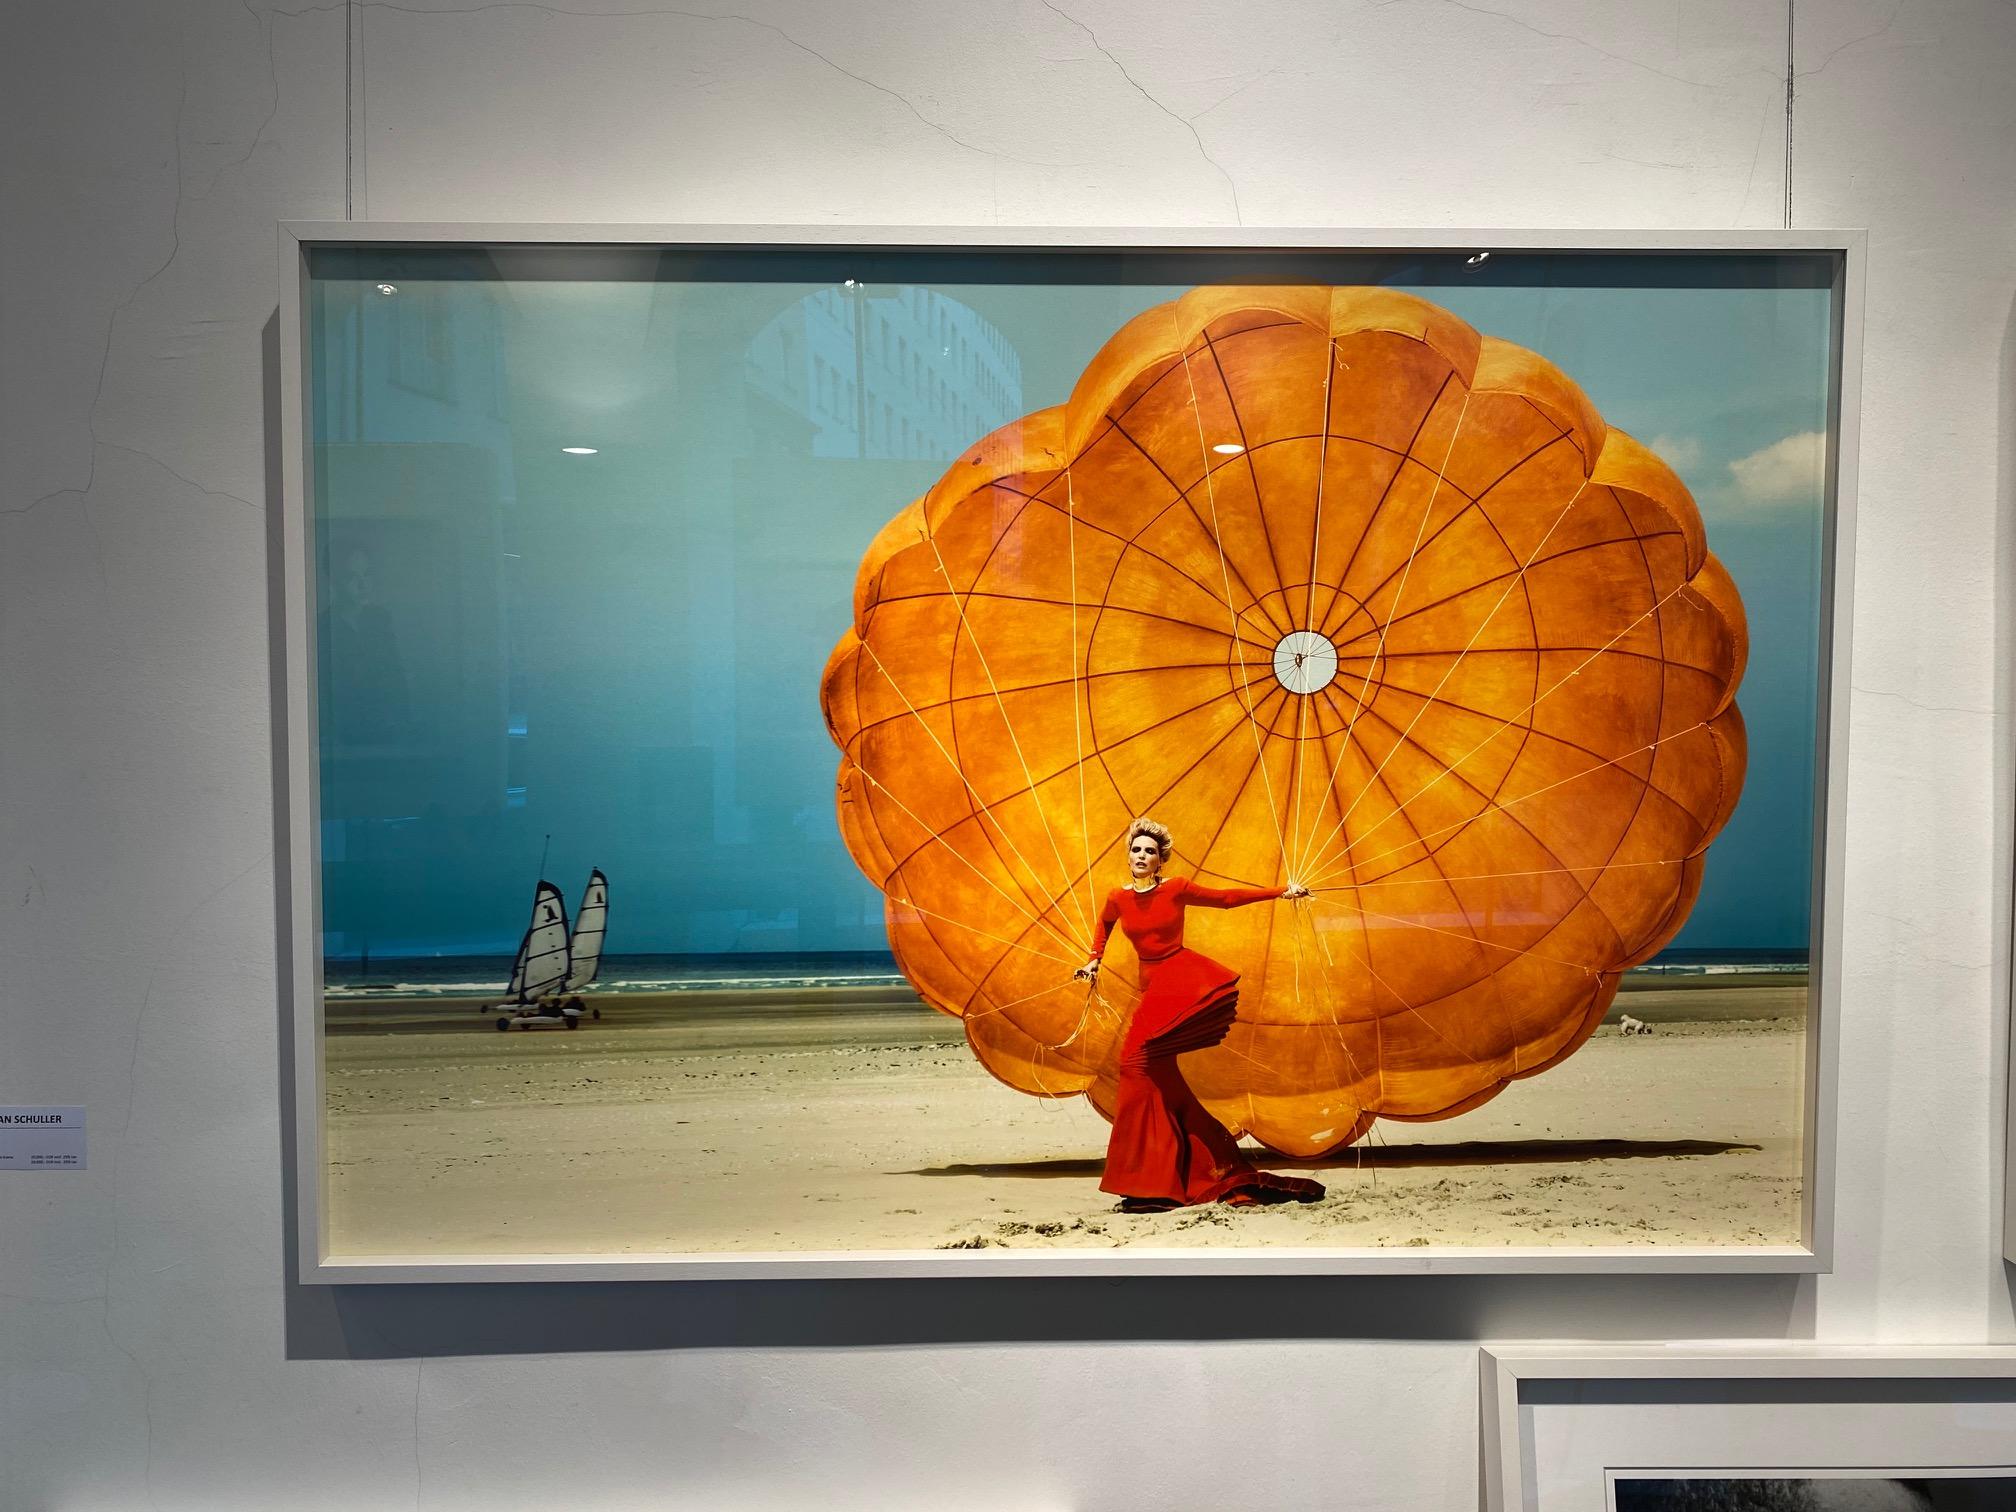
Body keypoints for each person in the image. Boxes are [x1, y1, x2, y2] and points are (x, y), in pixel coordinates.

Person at [1074, 818, 1326, 1214]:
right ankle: (1166, 1177)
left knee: (1133, 1064)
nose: (1142, 856)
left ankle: (1150, 1180)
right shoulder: (1117, 897)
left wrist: (1282, 891)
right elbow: (1104, 926)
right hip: (1151, 987)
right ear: (1128, 856)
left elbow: (1225, 899)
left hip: (1178, 978)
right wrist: (1093, 962)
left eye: (1150, 852)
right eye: (1137, 850)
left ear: (1160, 861)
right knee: (1157, 1077)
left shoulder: (1176, 888)